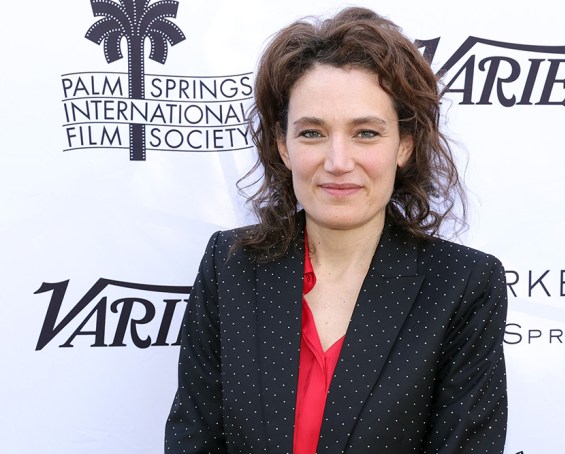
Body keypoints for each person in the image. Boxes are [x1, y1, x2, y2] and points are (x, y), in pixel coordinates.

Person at [165, 6, 508, 454]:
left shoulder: (462, 285)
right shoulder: (230, 266)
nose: (338, 161)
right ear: (281, 145)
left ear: (404, 144)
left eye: (366, 133)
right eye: (312, 133)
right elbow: (194, 440)